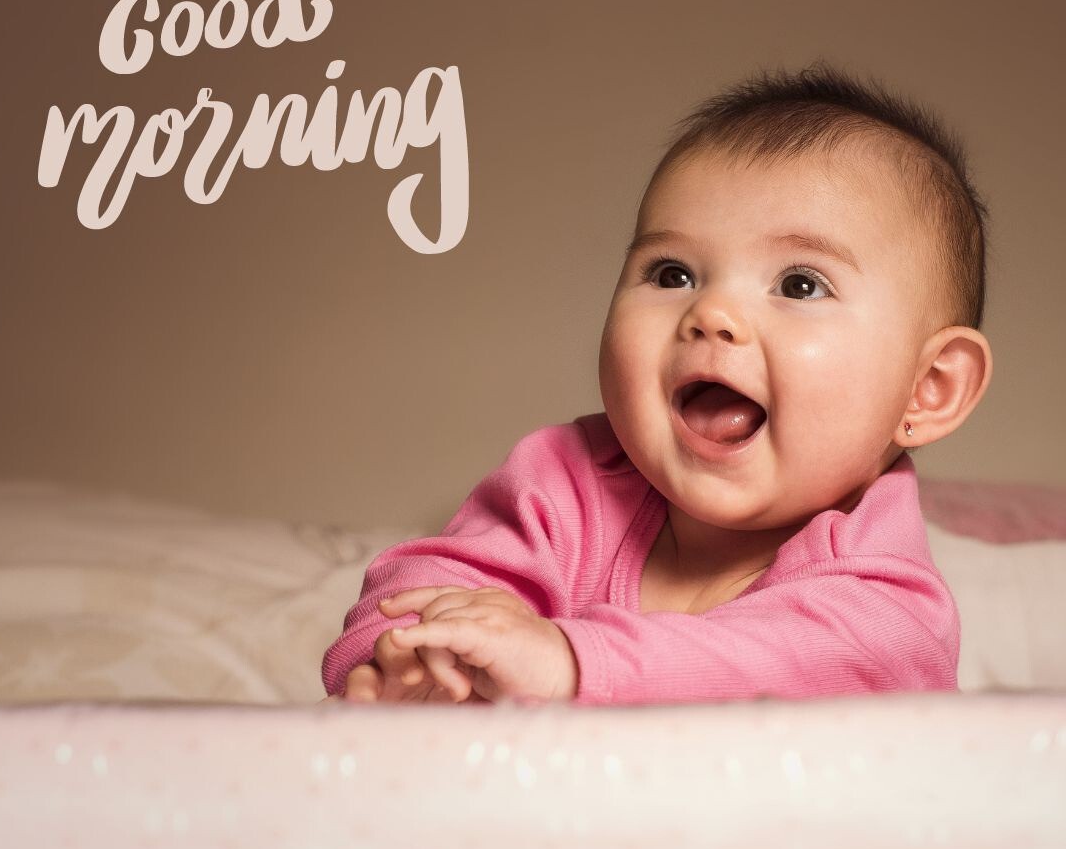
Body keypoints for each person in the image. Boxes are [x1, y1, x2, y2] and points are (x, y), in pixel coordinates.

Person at [321, 61, 993, 707]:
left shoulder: (889, 606)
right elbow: (436, 581)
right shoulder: (568, 479)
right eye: (672, 274)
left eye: (800, 284)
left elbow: (777, 665)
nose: (712, 315)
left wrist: (570, 661)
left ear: (927, 389)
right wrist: (412, 656)